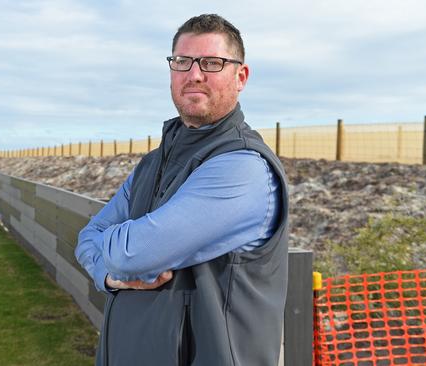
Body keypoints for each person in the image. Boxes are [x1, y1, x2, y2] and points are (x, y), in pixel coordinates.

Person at [75, 14, 290, 366]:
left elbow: (132, 254)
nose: (194, 74)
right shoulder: (152, 163)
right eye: (182, 62)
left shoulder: (243, 167)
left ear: (241, 77)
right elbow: (88, 237)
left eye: (212, 63)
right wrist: (110, 276)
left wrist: (117, 252)